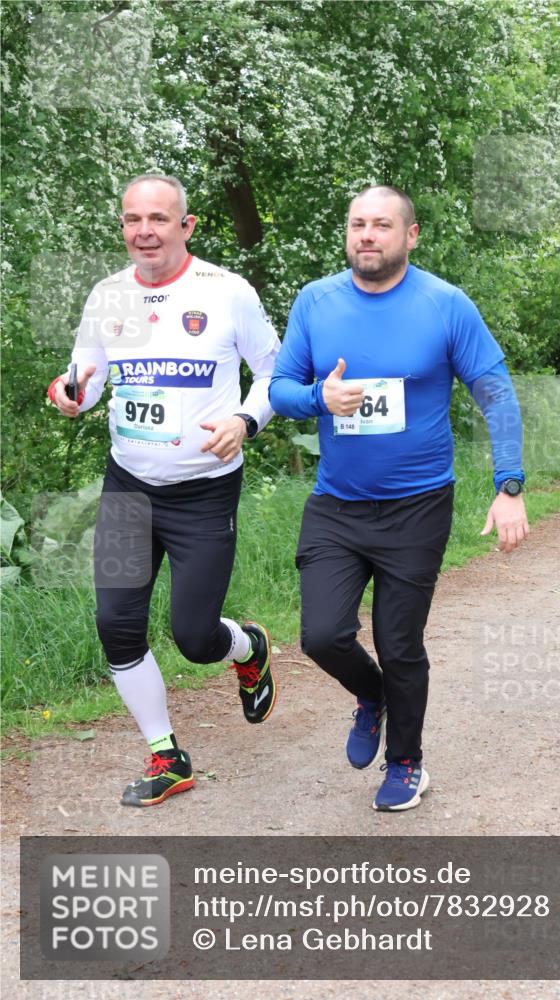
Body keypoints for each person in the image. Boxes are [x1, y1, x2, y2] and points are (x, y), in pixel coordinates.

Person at [269, 185, 529, 812]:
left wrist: (509, 485)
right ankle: (373, 694)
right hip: (337, 504)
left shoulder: (445, 304)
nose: (367, 235)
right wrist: (318, 399)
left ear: (410, 235)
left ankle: (406, 763)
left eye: (382, 225)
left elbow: (495, 391)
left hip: (418, 505)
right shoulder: (316, 301)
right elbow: (279, 389)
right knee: (321, 636)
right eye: (357, 223)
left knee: (399, 643)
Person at [48, 174, 280, 807]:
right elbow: (86, 377)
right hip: (128, 488)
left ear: (186, 225)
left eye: (158, 218)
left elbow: (274, 371)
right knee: (116, 626)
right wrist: (71, 394)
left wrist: (245, 420)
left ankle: (247, 647)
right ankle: (166, 756)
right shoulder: (108, 295)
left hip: (203, 493)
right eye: (132, 219)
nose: (144, 231)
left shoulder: (226, 292)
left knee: (195, 638)